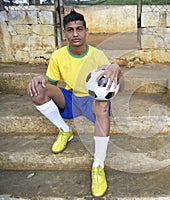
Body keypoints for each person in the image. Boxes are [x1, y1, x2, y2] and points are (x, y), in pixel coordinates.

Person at [27, 10, 123, 197]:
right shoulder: (58, 56)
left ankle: (98, 165)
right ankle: (65, 130)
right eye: (70, 30)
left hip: (92, 101)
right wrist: (40, 79)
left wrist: (116, 69)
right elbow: (51, 85)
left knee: (103, 104)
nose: (75, 34)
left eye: (79, 29)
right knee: (38, 90)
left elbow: (116, 86)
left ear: (87, 31)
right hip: (71, 99)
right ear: (65, 33)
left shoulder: (97, 55)